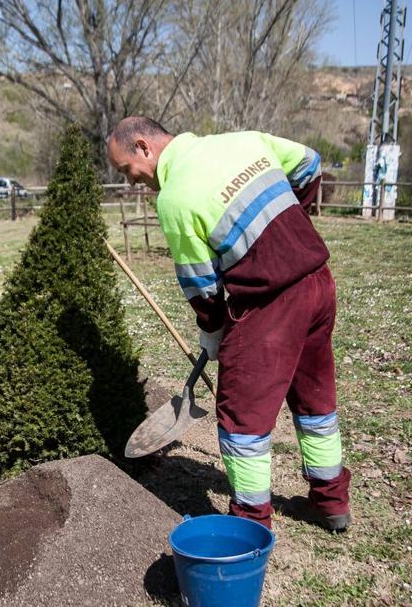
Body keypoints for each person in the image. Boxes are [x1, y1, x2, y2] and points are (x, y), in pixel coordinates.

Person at [107, 117, 351, 531]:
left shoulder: (175, 198)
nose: (131, 182)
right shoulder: (242, 141)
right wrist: (291, 227)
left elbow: (201, 286)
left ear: (144, 147)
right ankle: (331, 501)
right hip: (318, 284)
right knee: (315, 399)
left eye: (125, 169)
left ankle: (252, 521)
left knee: (242, 416)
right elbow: (311, 163)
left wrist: (214, 330)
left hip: (270, 305)